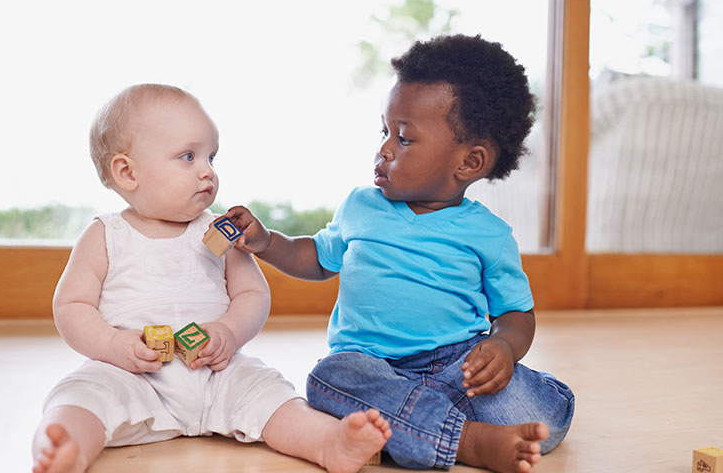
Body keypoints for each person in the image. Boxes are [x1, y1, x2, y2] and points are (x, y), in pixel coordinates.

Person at [224, 34, 575, 473]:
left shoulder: (489, 234)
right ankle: (465, 441)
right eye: (385, 131)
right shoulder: (360, 206)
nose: (384, 148)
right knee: (328, 380)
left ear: (468, 163)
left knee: (544, 417)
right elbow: (315, 258)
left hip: (456, 366)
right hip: (370, 365)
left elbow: (517, 315)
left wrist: (503, 347)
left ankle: (414, 424)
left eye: (404, 139)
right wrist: (267, 241)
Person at [31, 84, 391, 473]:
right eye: (188, 157)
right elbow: (72, 306)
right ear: (127, 172)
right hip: (131, 374)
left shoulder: (218, 232)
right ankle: (66, 446)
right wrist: (114, 345)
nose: (207, 171)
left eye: (212, 157)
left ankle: (326, 443)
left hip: (217, 373)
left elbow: (252, 294)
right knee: (81, 395)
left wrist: (229, 332)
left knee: (269, 391)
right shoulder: (105, 234)